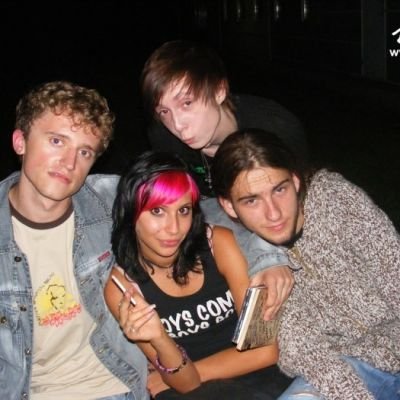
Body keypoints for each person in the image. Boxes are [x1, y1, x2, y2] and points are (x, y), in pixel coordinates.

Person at [211, 128, 400, 400]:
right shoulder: (247, 259)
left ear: (296, 181)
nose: (273, 213)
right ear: (229, 206)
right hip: (351, 367)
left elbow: (395, 277)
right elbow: (306, 353)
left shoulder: (334, 199)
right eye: (252, 200)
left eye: (279, 189)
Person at [0, 80, 152, 400]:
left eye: (84, 152)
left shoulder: (108, 200)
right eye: (57, 141)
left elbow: (207, 209)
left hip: (117, 383)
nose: (69, 163)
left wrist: (262, 260)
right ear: (20, 141)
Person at [104, 151, 292, 400]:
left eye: (183, 210)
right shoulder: (123, 288)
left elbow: (265, 349)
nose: (174, 228)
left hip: (261, 378)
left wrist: (189, 372)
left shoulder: (219, 244)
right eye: (157, 211)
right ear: (131, 212)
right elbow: (186, 387)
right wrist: (159, 338)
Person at [141, 39, 298, 317]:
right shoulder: (165, 138)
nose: (177, 124)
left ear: (219, 90)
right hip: (221, 222)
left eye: (187, 103)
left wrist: (272, 255)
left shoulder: (274, 127)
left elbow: (292, 202)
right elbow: (196, 205)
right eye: (164, 112)